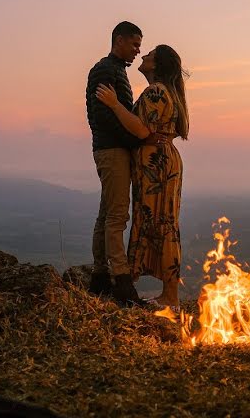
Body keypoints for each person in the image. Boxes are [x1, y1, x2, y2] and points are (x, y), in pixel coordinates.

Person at [96, 44, 189, 309]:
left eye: (149, 55)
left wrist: (114, 104)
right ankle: (167, 294)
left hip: (156, 165)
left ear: (157, 65)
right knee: (163, 222)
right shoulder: (163, 91)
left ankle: (170, 296)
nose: (143, 55)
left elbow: (139, 129)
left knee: (162, 224)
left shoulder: (156, 91)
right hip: (160, 161)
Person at [85, 22, 167, 306]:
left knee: (107, 214)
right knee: (117, 216)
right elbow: (104, 117)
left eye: (140, 46)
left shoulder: (114, 70)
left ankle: (99, 278)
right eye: (134, 45)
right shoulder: (106, 70)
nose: (138, 51)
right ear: (118, 40)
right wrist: (137, 142)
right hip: (113, 151)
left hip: (110, 149)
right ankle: (121, 283)